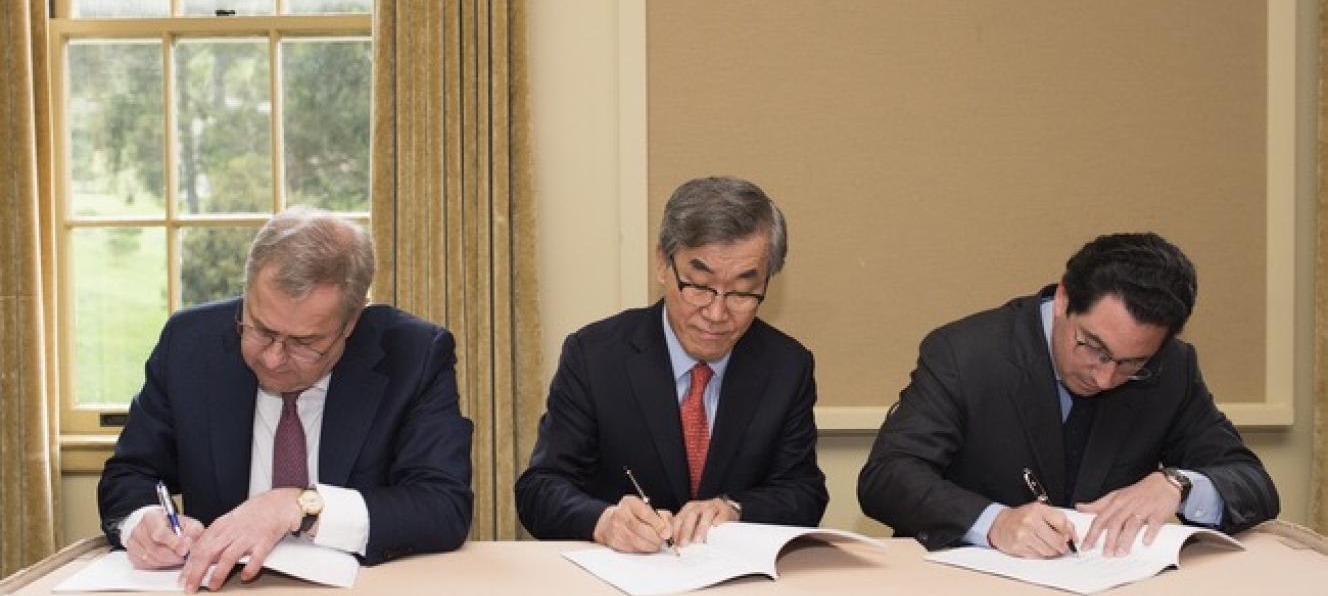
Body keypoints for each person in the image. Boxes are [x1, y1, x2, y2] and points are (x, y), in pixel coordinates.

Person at [98, 208, 473, 592]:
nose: (273, 357)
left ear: (350, 323)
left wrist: (300, 506)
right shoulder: (190, 344)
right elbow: (130, 473)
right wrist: (142, 522)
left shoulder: (412, 355)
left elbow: (442, 504)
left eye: (305, 342)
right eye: (260, 329)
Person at [857, 232, 1279, 559]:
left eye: (1132, 363)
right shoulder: (966, 353)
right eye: (1093, 346)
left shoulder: (1172, 369)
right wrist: (993, 523)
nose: (1106, 376)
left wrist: (1178, 484)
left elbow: (1252, 483)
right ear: (1063, 299)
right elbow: (888, 477)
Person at [515, 176, 828, 553]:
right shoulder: (596, 355)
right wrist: (604, 521)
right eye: (699, 286)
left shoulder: (786, 366)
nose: (716, 313)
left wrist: (736, 510)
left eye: (743, 292)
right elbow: (540, 489)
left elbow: (804, 493)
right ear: (663, 263)